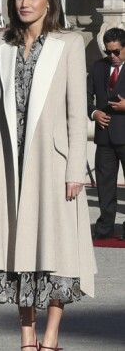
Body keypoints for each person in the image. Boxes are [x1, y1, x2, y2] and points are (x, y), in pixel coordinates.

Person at [0, 0, 96, 351]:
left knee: (58, 248)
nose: (25, 4)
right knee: (17, 247)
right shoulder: (2, 43)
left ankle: (51, 338)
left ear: (49, 1)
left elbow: (77, 113)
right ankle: (27, 338)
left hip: (55, 164)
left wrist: (76, 170)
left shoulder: (69, 43)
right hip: (11, 163)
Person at [86, 26, 125, 240]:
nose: (112, 56)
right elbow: (84, 96)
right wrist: (94, 113)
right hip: (104, 136)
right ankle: (105, 227)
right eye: (108, 52)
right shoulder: (98, 67)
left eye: (116, 52)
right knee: (105, 185)